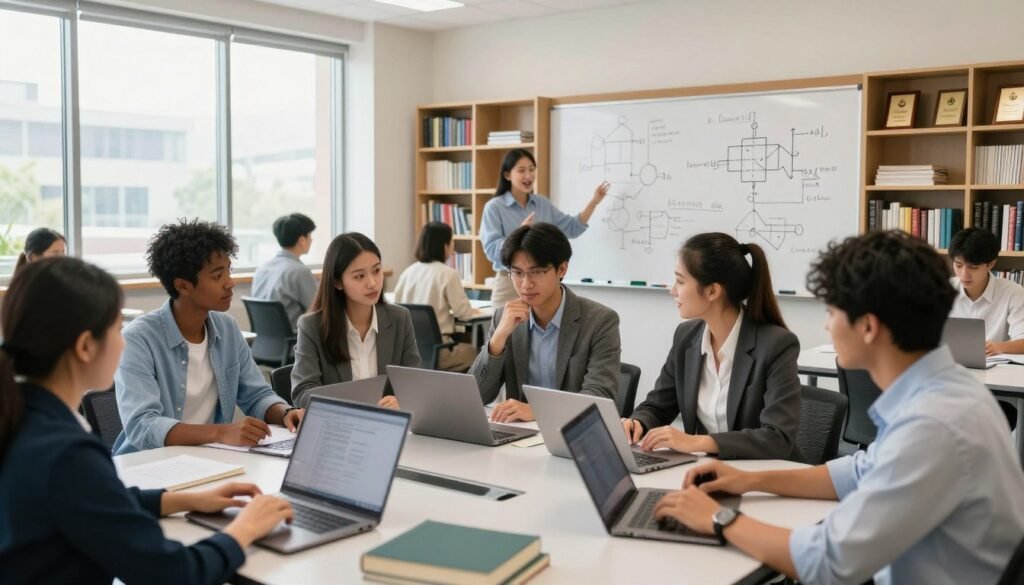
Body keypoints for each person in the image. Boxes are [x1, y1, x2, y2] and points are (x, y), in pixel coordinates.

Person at [652, 231, 1024, 585]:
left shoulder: (931, 425)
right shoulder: (947, 391)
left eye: (831, 312)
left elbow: (827, 562)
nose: (827, 327)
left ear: (868, 327)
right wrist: (749, 480)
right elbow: (857, 472)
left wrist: (717, 518)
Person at [0, 256, 293, 585]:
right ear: (85, 346)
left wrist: (184, 500)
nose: (123, 341)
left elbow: (96, 502)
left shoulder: (24, 418)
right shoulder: (66, 454)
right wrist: (246, 528)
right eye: (115, 329)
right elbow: (173, 573)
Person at [113, 220, 303, 455]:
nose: (230, 283)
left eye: (229, 271)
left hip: (209, 458)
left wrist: (286, 413)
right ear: (183, 286)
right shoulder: (138, 340)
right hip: (147, 464)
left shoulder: (227, 329)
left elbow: (256, 395)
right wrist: (220, 432)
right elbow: (144, 426)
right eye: (217, 275)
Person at [620, 232, 801, 460]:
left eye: (681, 281)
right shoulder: (686, 337)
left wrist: (697, 442)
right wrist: (638, 423)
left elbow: (778, 437)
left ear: (712, 291)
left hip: (766, 476)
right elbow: (658, 406)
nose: (672, 290)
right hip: (709, 471)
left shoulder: (777, 345)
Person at [469, 222, 620, 422]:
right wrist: (497, 340)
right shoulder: (503, 318)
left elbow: (599, 397)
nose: (526, 284)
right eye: (518, 273)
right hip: (520, 438)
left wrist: (538, 412)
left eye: (537, 272)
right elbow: (476, 396)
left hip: (573, 437)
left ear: (562, 269)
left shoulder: (600, 321)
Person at [291, 232, 421, 409]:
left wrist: (402, 401)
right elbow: (302, 392)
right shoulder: (312, 326)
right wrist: (352, 404)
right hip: (341, 426)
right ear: (337, 282)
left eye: (376, 271)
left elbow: (416, 383)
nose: (372, 283)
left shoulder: (400, 318)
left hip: (389, 425)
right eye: (359, 276)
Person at [480, 148, 611, 305]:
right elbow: (491, 250)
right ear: (508, 175)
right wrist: (519, 234)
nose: (528, 175)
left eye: (531, 169)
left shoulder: (542, 204)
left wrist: (594, 202)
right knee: (504, 328)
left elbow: (572, 227)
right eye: (521, 170)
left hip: (543, 282)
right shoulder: (494, 207)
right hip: (510, 281)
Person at [394, 222, 479, 372]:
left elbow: (396, 307)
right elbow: (464, 313)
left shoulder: (407, 273)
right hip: (439, 352)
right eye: (451, 241)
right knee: (476, 352)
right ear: (444, 246)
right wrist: (472, 310)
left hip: (408, 352)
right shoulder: (447, 274)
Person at [948, 227, 1024, 356]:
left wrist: (998, 347)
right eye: (958, 265)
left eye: (973, 267)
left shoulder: (1014, 293)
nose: (964, 275)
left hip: (997, 371)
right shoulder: (943, 288)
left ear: (991, 264)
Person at [251, 213, 319, 330]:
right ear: (302, 240)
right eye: (309, 235)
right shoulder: (299, 271)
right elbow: (317, 310)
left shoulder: (262, 269)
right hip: (295, 342)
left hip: (264, 342)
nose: (311, 239)